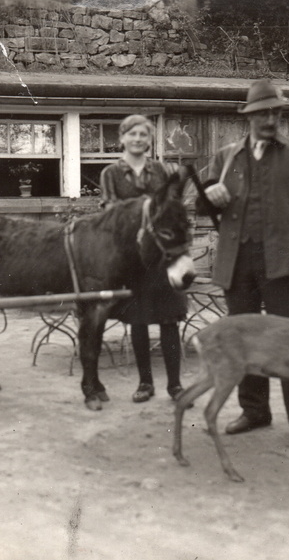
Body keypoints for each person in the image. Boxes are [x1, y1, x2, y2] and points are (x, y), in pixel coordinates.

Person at [197, 79, 289, 445]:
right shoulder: (227, 157)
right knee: (245, 339)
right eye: (262, 113)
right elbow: (200, 203)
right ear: (249, 117)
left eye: (275, 112)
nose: (270, 119)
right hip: (236, 263)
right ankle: (254, 411)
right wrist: (211, 193)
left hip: (284, 261)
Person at [100, 114, 188, 403]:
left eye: (144, 135)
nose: (138, 139)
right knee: (138, 320)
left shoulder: (161, 170)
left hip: (162, 256)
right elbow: (111, 214)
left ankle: (175, 385)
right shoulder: (111, 174)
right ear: (122, 138)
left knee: (169, 319)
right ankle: (145, 383)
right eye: (132, 134)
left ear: (150, 141)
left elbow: (171, 206)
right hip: (133, 258)